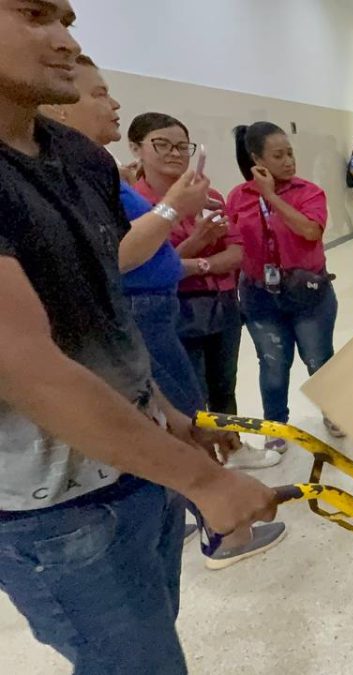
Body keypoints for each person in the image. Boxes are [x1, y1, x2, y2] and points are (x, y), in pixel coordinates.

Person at [0, 5, 276, 671]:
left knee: (155, 646)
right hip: (54, 510)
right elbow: (23, 362)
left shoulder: (77, 159)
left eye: (67, 19)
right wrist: (203, 481)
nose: (67, 41)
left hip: (136, 474)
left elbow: (103, 315)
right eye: (34, 15)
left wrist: (169, 417)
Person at [54, 57, 289, 571]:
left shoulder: (94, 173)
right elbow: (113, 257)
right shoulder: (96, 182)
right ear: (61, 108)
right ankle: (223, 533)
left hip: (159, 308)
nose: (113, 103)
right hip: (143, 310)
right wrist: (175, 211)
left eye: (183, 146)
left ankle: (196, 511)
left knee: (187, 409)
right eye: (98, 94)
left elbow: (231, 254)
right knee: (181, 417)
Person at [127, 112, 281, 471]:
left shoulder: (208, 196)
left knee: (224, 384)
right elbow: (145, 267)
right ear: (137, 149)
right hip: (172, 310)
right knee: (188, 395)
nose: (174, 153)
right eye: (161, 144)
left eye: (182, 145)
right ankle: (203, 467)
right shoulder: (137, 204)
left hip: (221, 302)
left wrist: (195, 266)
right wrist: (197, 246)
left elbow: (236, 253)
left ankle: (233, 448)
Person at [227, 121, 344, 446]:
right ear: (257, 160)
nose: (289, 161)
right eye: (278, 155)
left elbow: (309, 230)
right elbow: (234, 245)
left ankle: (333, 413)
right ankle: (276, 427)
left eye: (290, 153)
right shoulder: (237, 198)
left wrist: (271, 198)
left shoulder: (309, 192)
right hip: (260, 296)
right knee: (273, 365)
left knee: (319, 359)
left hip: (309, 295)